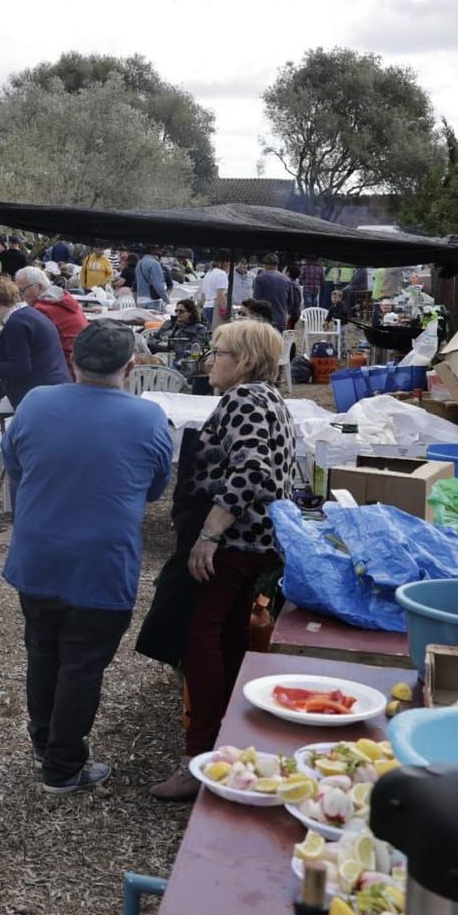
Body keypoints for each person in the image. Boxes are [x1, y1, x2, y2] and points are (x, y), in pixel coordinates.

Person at [3, 323, 174, 793]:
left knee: (42, 650)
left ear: (73, 361)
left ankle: (47, 744)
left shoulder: (36, 402)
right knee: (81, 662)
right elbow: (155, 487)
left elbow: (14, 461)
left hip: (37, 554)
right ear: (131, 367)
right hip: (102, 562)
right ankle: (61, 763)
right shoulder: (149, 417)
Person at [150, 321, 296, 801]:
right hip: (255, 543)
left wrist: (209, 535)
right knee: (229, 636)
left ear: (247, 360)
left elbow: (252, 469)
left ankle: (202, 759)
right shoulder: (267, 398)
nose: (211, 360)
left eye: (220, 352)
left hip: (237, 542)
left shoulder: (245, 400)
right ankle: (234, 740)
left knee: (199, 639)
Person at [0, 276, 71, 407]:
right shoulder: (29, 315)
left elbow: (20, 368)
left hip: (40, 398)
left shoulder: (15, 324)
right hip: (54, 390)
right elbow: (22, 363)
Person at [16, 266, 87, 367]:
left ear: (39, 287)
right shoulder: (62, 297)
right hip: (82, 365)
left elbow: (22, 348)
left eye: (22, 290)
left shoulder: (42, 310)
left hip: (67, 368)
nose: (20, 296)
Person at [150, 298, 210, 368]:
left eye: (181, 311)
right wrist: (158, 343)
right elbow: (154, 338)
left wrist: (170, 344)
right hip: (159, 353)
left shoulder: (199, 328)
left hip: (179, 358)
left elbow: (196, 347)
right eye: (176, 311)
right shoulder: (169, 323)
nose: (178, 313)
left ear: (190, 313)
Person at [251, 254, 296, 330]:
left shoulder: (260, 279)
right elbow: (291, 302)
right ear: (277, 265)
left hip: (264, 320)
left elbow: (256, 300)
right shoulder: (286, 279)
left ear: (265, 265)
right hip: (281, 320)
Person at [201, 258, 231, 326]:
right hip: (215, 308)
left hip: (206, 306)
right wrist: (225, 311)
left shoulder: (208, 273)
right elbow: (220, 294)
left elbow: (203, 295)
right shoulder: (222, 274)